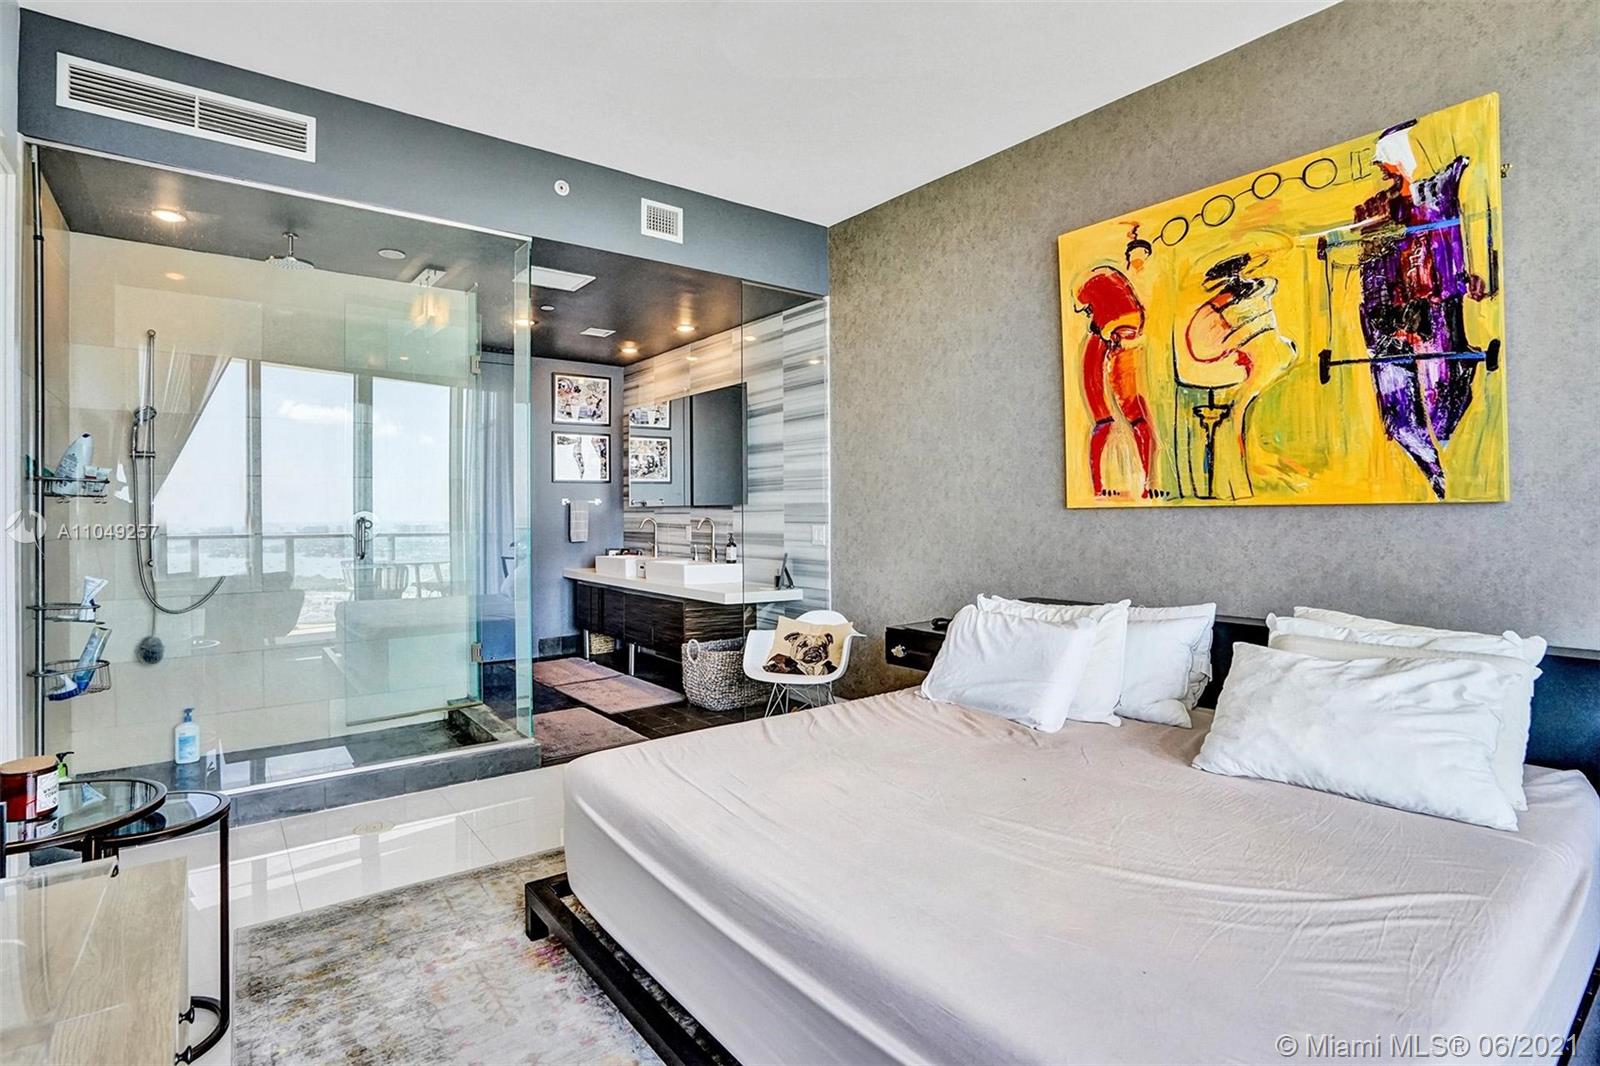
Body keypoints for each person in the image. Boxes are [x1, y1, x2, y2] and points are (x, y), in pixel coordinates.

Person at [1353, 120, 1490, 499]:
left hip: (1433, 315)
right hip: (1386, 319)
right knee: (1399, 418)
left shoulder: (1438, 195)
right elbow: (1370, 269)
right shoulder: (1373, 209)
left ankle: (1449, 474)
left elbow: (1453, 249)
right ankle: (1434, 471)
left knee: (1443, 401)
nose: (1381, 168)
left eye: (1385, 159)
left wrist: (1468, 279)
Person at [1074, 265, 1154, 498]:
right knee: (1105, 420)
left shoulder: (1123, 326)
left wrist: (1120, 339)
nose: (1088, 314)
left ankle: (1144, 484)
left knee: (1131, 416)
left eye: (1089, 310)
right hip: (1111, 339)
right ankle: (1101, 487)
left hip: (1121, 338)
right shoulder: (1099, 339)